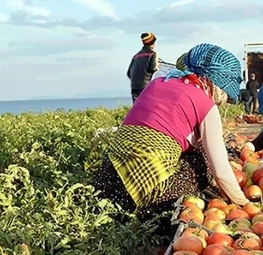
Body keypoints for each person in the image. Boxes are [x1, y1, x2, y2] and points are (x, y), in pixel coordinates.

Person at [93, 43, 249, 218]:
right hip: (150, 193)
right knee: (203, 163)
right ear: (216, 84)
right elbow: (220, 170)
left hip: (109, 179)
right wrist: (245, 205)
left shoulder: (157, 83)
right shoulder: (205, 105)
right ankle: (150, 211)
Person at [127, 32, 159, 102]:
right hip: (146, 87)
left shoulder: (135, 56)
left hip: (134, 86)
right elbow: (153, 70)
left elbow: (129, 73)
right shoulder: (152, 54)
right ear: (152, 43)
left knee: (136, 108)